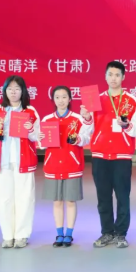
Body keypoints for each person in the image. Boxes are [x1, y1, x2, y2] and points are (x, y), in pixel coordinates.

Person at [80, 61, 136, 249]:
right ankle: (107, 232)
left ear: (123, 77)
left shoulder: (131, 101)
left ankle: (121, 234)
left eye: (117, 75)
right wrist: (87, 117)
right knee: (103, 197)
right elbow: (88, 129)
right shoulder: (95, 99)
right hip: (100, 155)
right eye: (110, 74)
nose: (113, 78)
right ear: (105, 77)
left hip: (122, 156)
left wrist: (127, 125)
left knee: (123, 197)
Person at [0, 75, 40, 248]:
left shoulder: (30, 111)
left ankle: (22, 235)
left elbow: (37, 136)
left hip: (24, 160)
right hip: (2, 161)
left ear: (23, 91)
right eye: (10, 89)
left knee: (25, 198)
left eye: (17, 89)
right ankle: (8, 235)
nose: (13, 92)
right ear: (4, 91)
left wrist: (30, 129)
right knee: (4, 198)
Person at [39, 86, 93, 248]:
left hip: (71, 164)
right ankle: (59, 233)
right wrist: (40, 138)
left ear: (70, 99)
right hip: (53, 165)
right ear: (53, 100)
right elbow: (41, 143)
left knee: (70, 200)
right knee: (56, 201)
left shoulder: (78, 118)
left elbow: (86, 137)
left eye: (64, 97)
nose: (61, 100)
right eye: (57, 97)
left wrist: (78, 139)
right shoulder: (47, 119)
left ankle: (69, 233)